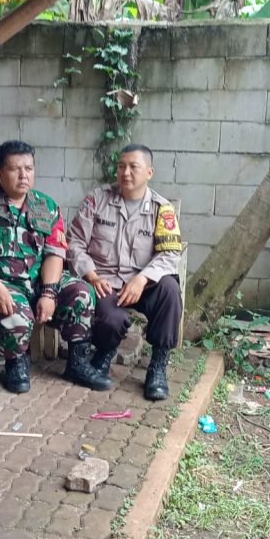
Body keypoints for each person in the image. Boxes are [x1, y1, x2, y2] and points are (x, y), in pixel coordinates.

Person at [0, 140, 111, 394]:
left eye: (28, 169)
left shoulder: (46, 206)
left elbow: (55, 253)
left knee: (82, 292)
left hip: (39, 281)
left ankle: (77, 362)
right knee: (14, 309)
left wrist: (49, 293)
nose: (23, 175)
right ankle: (15, 362)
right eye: (15, 169)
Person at [67, 144, 183, 400]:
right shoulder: (97, 199)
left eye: (133, 167)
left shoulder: (161, 209)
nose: (126, 172)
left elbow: (170, 254)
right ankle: (104, 352)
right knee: (111, 320)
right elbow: (74, 242)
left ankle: (158, 365)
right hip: (105, 281)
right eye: (121, 166)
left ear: (149, 172)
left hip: (144, 282)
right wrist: (92, 275)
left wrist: (142, 279)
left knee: (170, 290)